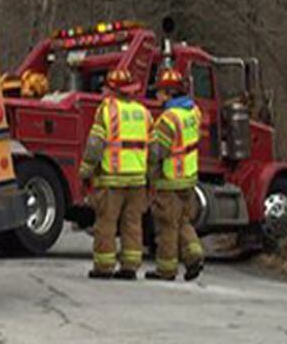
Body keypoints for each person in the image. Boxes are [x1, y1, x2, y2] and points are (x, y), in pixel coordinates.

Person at [78, 68, 151, 280]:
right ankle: (130, 267)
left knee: (106, 224)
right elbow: (153, 147)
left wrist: (86, 170)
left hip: (112, 179)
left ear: (112, 89)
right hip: (137, 180)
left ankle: (104, 266)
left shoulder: (107, 111)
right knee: (132, 224)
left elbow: (95, 145)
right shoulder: (143, 112)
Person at [146, 68, 205, 281]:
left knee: (167, 226)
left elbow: (157, 153)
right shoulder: (194, 112)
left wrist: (148, 172)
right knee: (183, 222)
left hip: (169, 181)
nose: (157, 96)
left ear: (169, 93)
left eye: (160, 92)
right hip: (188, 179)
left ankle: (166, 269)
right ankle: (194, 255)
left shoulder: (168, 119)